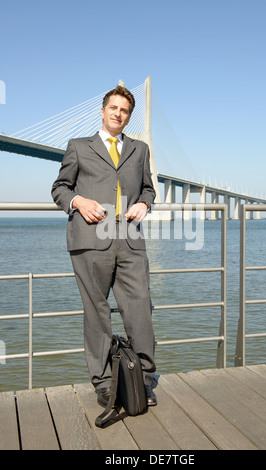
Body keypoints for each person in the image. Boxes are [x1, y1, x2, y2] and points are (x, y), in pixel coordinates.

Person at [51, 85, 157, 407]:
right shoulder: (78, 147)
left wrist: (144, 204)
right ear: (102, 110)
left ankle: (144, 380)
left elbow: (149, 190)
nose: (118, 114)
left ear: (129, 117)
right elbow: (59, 189)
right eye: (113, 108)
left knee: (139, 309)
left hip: (129, 240)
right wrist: (78, 201)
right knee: (96, 314)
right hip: (89, 241)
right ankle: (104, 384)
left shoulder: (140, 150)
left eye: (124, 111)